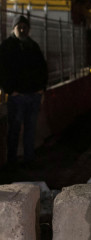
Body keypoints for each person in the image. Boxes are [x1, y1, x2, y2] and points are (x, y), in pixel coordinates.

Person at [0, 14, 48, 166]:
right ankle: (12, 160)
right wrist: (10, 90)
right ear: (13, 28)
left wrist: (41, 89)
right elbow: (1, 70)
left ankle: (29, 158)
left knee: (30, 130)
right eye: (19, 26)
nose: (22, 29)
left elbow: (42, 68)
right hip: (17, 97)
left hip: (33, 95)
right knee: (14, 130)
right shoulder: (7, 46)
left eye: (25, 27)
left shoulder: (33, 46)